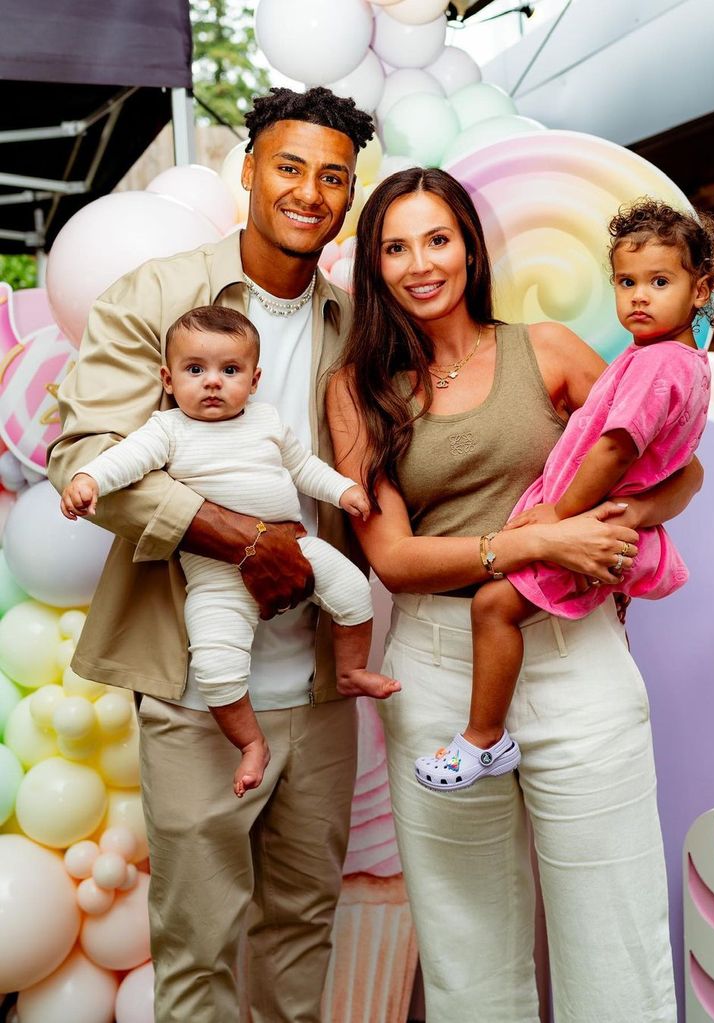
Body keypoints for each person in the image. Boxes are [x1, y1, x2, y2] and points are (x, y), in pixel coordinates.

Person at [327, 168, 704, 1022]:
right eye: (394, 246)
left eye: (436, 238)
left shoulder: (546, 351)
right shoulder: (357, 391)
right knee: (469, 959)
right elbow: (392, 556)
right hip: (437, 667)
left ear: (468, 245)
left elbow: (679, 466)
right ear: (373, 265)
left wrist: (625, 516)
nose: (419, 263)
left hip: (576, 663)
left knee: (616, 942)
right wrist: (534, 540)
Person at [48, 87, 375, 1023]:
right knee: (195, 941)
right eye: (289, 166)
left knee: (304, 924)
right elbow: (85, 458)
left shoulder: (350, 323)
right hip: (195, 685)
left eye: (333, 176)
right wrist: (245, 539)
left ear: (348, 193)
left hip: (317, 685)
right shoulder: (157, 296)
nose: (309, 191)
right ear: (248, 172)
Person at [414, 197, 714, 792]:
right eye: (626, 281)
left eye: (660, 282)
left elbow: (615, 448)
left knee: (492, 607)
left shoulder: (659, 365)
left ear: (700, 290)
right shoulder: (674, 361)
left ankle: (482, 740)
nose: (639, 296)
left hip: (583, 520)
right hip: (601, 518)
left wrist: (556, 515)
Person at [59, 305, 399, 797]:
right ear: (168, 379)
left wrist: (342, 491)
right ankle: (251, 744)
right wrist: (89, 478)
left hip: (296, 546)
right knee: (216, 668)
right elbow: (125, 460)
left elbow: (303, 467)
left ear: (255, 379)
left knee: (353, 588)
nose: (212, 382)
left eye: (230, 370)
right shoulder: (167, 429)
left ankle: (349, 671)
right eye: (195, 370)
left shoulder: (265, 422)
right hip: (216, 576)